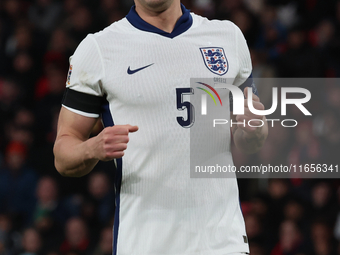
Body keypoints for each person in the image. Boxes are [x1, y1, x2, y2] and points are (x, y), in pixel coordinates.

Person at [53, 0, 268, 254]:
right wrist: (92, 148)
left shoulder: (227, 37)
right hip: (145, 242)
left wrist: (256, 128)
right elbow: (63, 154)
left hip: (221, 240)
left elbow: (250, 138)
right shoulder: (98, 49)